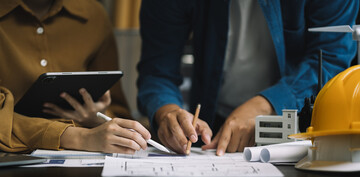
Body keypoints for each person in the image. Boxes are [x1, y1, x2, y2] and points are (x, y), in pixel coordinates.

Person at [137, 0, 359, 155]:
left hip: (303, 129)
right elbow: (157, 70)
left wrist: (263, 106)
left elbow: (330, 58)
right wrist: (167, 112)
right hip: (213, 130)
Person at [0, 0, 150, 154]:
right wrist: (79, 137)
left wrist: (97, 117)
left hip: (83, 157)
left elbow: (117, 110)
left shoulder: (93, 14)